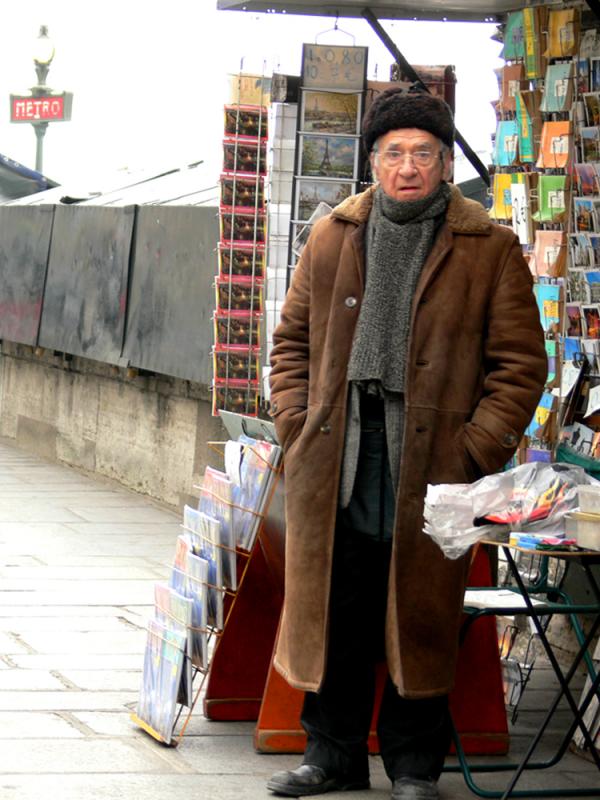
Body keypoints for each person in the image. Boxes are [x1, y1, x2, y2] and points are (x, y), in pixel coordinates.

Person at [266, 88, 547, 800]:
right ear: (373, 162)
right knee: (341, 603)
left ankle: (415, 766)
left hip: (433, 460)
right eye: (393, 153)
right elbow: (290, 342)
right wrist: (297, 424)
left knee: (422, 611)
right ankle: (331, 753)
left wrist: (474, 450)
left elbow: (519, 365)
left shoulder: (489, 244)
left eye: (423, 152)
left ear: (446, 162)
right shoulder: (333, 233)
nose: (408, 166)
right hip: (339, 452)